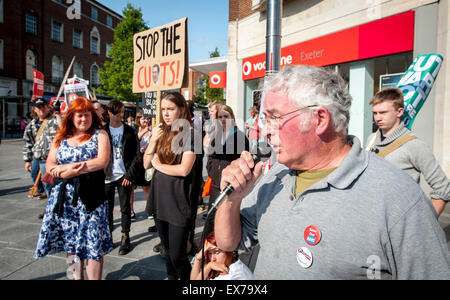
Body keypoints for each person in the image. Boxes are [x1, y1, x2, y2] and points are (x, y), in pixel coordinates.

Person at [214, 65, 450, 280]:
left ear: (319, 119)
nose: (264, 130)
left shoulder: (398, 197)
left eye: (274, 118)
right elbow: (229, 241)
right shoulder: (277, 173)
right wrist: (232, 200)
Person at [34, 97, 112, 280]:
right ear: (71, 117)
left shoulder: (100, 134)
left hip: (92, 198)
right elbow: (50, 164)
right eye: (79, 116)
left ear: (93, 116)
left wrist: (72, 169)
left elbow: (102, 161)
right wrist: (63, 173)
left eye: (87, 115)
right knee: (71, 244)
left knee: (93, 245)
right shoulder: (61, 137)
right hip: (66, 200)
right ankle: (77, 278)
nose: (83, 119)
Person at [367, 88, 450, 217]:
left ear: (399, 112)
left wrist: (426, 224)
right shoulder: (371, 139)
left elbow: (443, 188)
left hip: (402, 222)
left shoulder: (414, 145)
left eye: (383, 112)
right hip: (372, 219)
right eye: (375, 113)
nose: (378, 118)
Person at [143, 92, 200, 280]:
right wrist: (152, 141)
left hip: (178, 202)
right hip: (160, 199)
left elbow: (184, 170)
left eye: (170, 109)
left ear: (181, 110)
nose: (166, 114)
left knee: (178, 255)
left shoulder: (191, 134)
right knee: (167, 251)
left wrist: (159, 166)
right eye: (163, 109)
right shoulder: (161, 132)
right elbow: (145, 164)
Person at [104, 100, 141, 256]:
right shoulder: (102, 131)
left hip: (123, 175)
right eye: (119, 112)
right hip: (106, 176)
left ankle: (125, 236)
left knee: (125, 208)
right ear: (110, 113)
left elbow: (137, 155)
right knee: (107, 208)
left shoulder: (129, 131)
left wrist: (130, 175)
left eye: (123, 112)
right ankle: (108, 235)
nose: (122, 115)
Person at [205, 105, 249, 233]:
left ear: (232, 118)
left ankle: (230, 249)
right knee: (212, 217)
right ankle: (209, 248)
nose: (223, 120)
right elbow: (210, 158)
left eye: (226, 116)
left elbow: (243, 161)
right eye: (220, 117)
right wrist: (213, 173)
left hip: (231, 185)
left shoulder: (240, 137)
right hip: (215, 184)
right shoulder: (216, 136)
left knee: (228, 219)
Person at [23, 98, 59, 200]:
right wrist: (27, 160)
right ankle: (44, 193)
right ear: (34, 109)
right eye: (38, 107)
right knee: (34, 175)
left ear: (48, 107)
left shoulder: (55, 121)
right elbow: (28, 143)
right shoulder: (31, 125)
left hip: (50, 157)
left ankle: (51, 204)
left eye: (43, 106)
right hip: (38, 156)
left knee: (47, 182)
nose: (41, 109)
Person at [130, 112, 152, 219]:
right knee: (131, 188)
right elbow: (132, 144)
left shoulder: (151, 131)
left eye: (147, 118)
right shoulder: (134, 131)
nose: (146, 121)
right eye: (143, 119)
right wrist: (142, 133)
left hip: (146, 161)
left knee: (146, 187)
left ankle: (149, 210)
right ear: (138, 120)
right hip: (135, 162)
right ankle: (131, 210)